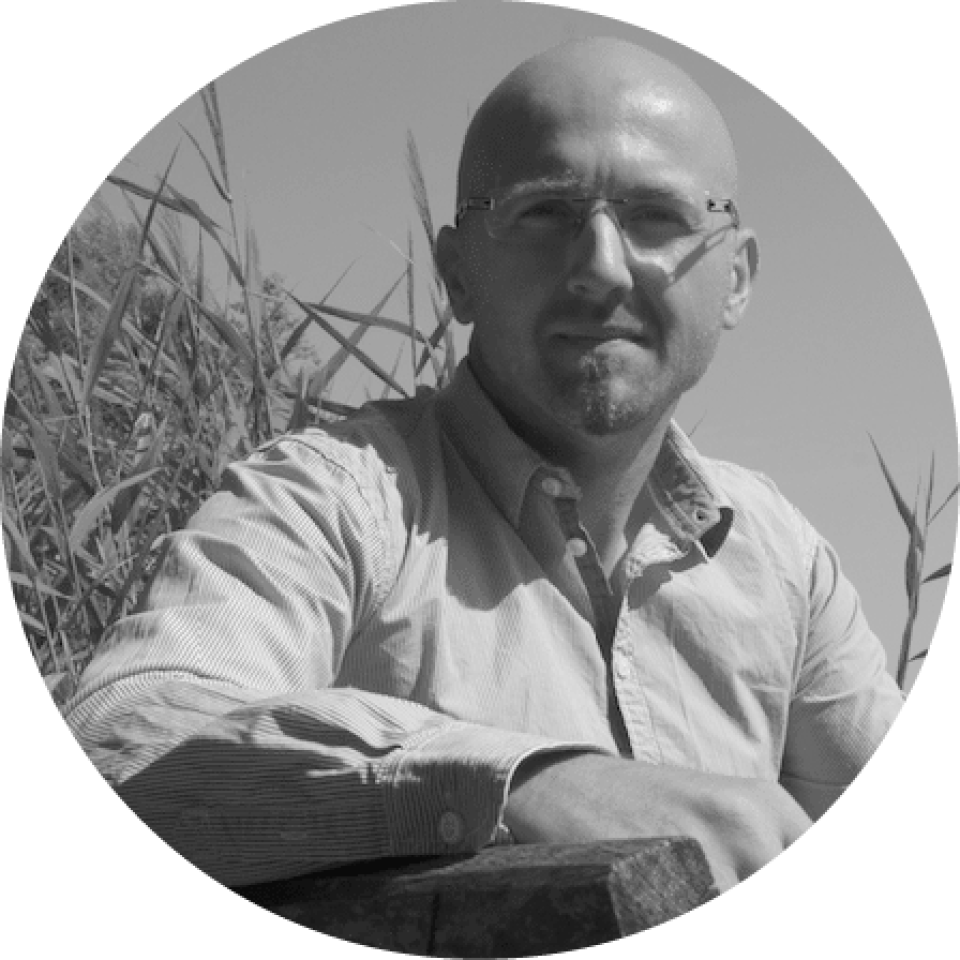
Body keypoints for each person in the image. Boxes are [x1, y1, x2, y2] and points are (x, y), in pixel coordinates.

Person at [63, 37, 904, 895]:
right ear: (459, 273)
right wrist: (526, 782)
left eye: (656, 215)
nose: (602, 266)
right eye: (545, 212)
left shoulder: (781, 561)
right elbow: (126, 741)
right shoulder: (329, 502)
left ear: (736, 279)